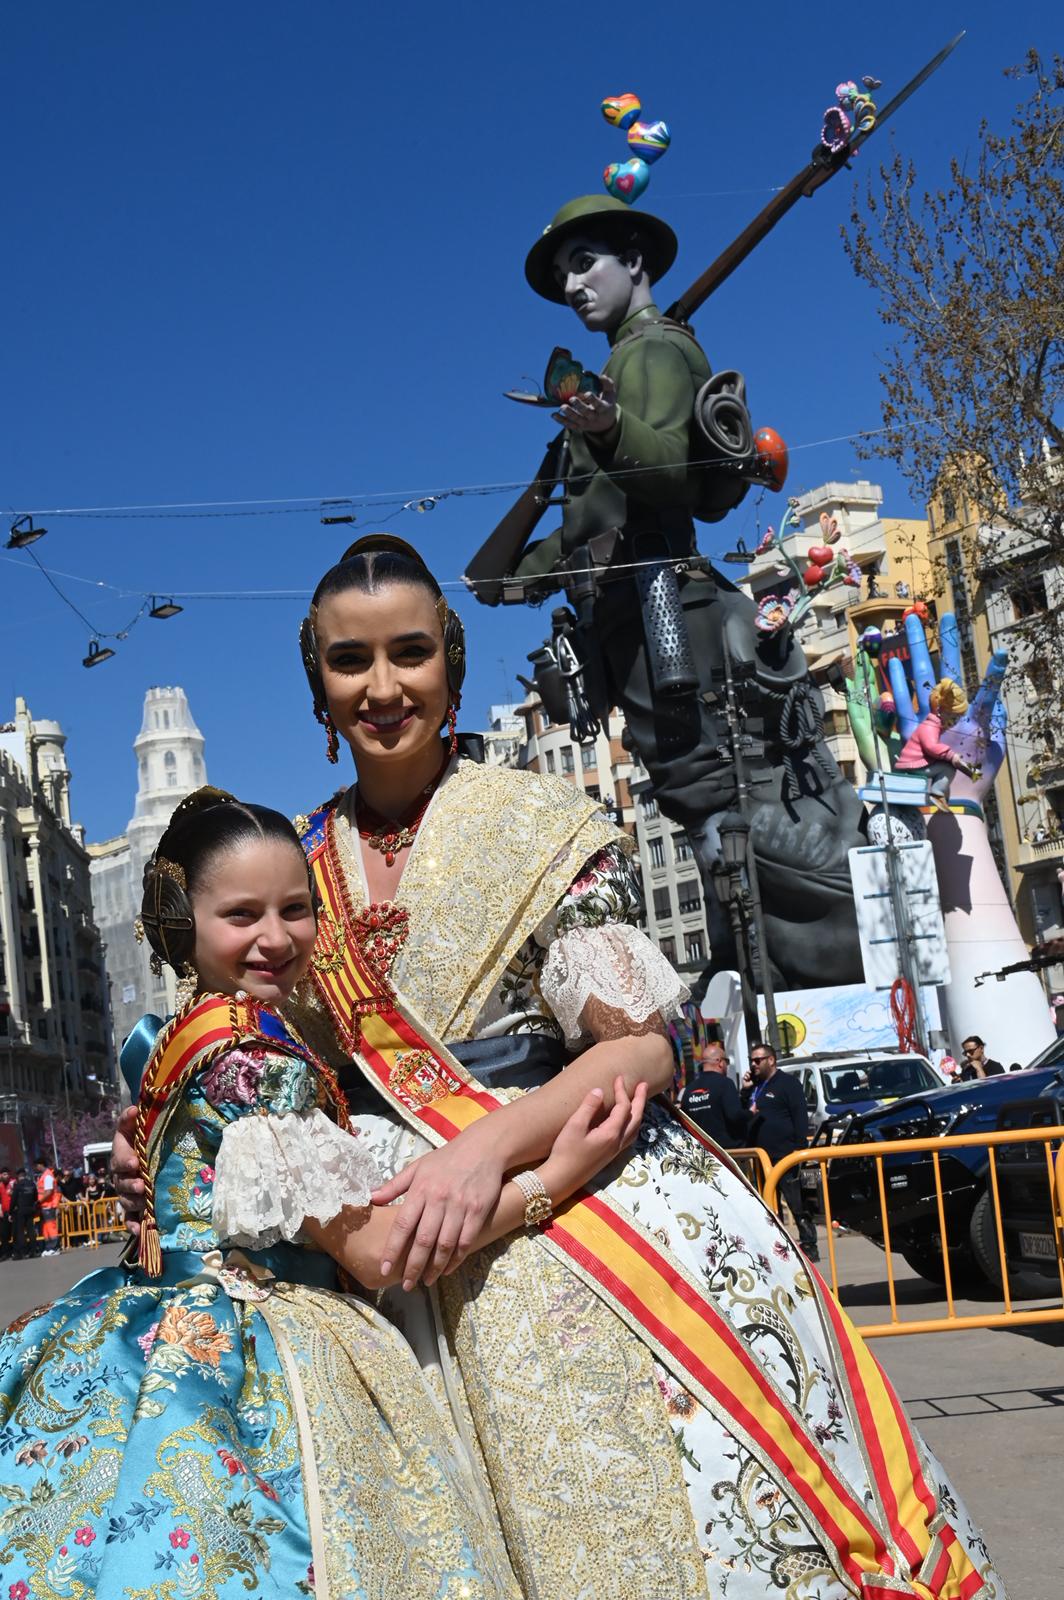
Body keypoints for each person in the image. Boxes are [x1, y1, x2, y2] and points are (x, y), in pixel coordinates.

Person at [113, 539, 1003, 1598]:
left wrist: (482, 1155)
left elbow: (643, 1044)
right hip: (382, 1239)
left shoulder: (542, 824)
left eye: (408, 652)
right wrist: (165, 1147)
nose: (383, 687)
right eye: (351, 660)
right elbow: (256, 1064)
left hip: (570, 1184)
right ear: (318, 681)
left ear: (449, 660)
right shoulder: (287, 864)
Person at [0, 788, 643, 1600]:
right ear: (182, 925)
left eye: (295, 910)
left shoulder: (176, 1037)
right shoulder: (257, 1065)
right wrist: (556, 1175)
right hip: (262, 1341)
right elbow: (379, 1255)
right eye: (242, 915)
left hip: (148, 1317)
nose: (275, 938)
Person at [465, 194, 868, 988]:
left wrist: (609, 430)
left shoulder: (648, 354)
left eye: (585, 263)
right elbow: (577, 530)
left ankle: (815, 960)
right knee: (707, 803)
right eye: (562, 273)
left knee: (720, 799)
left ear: (635, 262)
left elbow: (675, 481)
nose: (573, 285)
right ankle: (760, 964)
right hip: (633, 617)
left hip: (664, 611)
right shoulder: (621, 368)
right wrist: (521, 563)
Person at [742, 1040, 819, 1260]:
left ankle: (809, 1245)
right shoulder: (755, 1086)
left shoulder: (787, 1084)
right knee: (767, 1205)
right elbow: (742, 1112)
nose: (754, 1065)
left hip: (784, 1155)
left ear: (771, 1060)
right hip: (760, 1157)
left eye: (758, 1060)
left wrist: (799, 1149)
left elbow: (800, 1116)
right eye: (751, 1061)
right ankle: (778, 1246)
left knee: (795, 1202)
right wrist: (745, 1090)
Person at [896, 678, 978, 812]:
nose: (955, 721)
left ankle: (943, 797)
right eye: (953, 716)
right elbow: (931, 747)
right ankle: (937, 793)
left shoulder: (935, 726)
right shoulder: (930, 726)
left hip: (918, 763)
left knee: (946, 767)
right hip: (913, 765)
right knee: (948, 768)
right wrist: (951, 755)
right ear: (940, 710)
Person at [679, 1043, 749, 1148]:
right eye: (727, 1062)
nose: (727, 1066)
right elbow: (735, 1116)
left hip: (703, 1151)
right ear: (720, 1062)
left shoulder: (689, 1089)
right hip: (728, 1151)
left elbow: (686, 1122)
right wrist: (751, 1113)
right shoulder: (725, 1083)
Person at [10, 1168, 37, 1259]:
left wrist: (10, 1211)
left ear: (18, 1176)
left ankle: (24, 1252)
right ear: (25, 1175)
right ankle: (33, 1251)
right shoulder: (32, 1184)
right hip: (30, 1209)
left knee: (20, 1231)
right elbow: (35, 1197)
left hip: (21, 1210)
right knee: (31, 1230)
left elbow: (13, 1200)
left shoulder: (18, 1185)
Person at [0, 1169, 11, 1261]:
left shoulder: (12, 1184)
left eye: (7, 1174)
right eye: (4, 1174)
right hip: (3, 1213)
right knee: (4, 1234)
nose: (6, 1176)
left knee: (15, 1233)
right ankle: (5, 1253)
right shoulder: (0, 1186)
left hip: (12, 1212)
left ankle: (15, 1251)